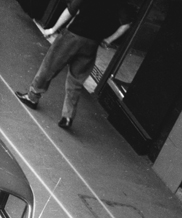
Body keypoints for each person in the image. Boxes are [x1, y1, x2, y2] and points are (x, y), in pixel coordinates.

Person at [15, 0, 134, 129]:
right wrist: (108, 40)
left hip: (73, 36)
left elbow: (70, 11)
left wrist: (52, 29)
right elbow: (126, 24)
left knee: (49, 66)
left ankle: (32, 97)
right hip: (92, 43)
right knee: (76, 80)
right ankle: (68, 116)